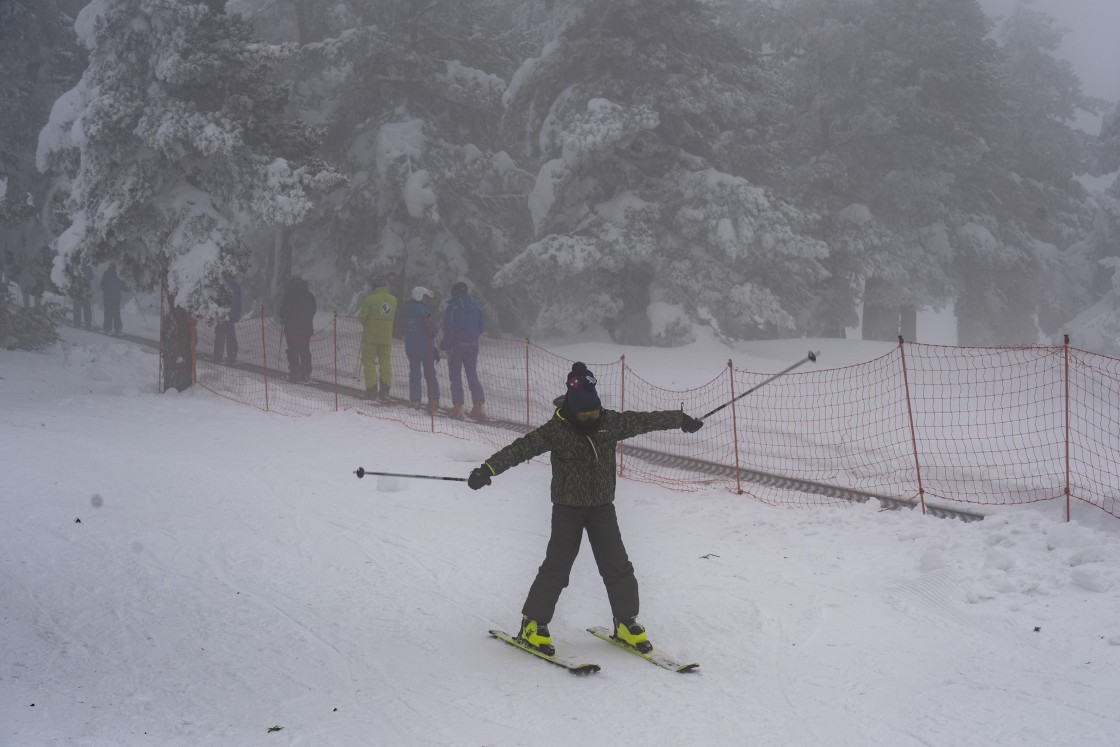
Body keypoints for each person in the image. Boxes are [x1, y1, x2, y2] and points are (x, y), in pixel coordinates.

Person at [466, 361, 705, 656]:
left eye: (594, 412)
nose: (591, 418)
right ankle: (533, 624)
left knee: (617, 565)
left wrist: (680, 420)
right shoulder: (557, 430)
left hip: (602, 507)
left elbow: (645, 420)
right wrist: (487, 469)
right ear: (571, 409)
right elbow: (520, 449)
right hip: (568, 509)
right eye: (585, 414)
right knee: (557, 567)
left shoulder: (609, 422)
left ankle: (625, 622)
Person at [440, 281, 486, 420]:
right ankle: (478, 404)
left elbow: (449, 329)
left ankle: (457, 406)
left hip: (457, 346)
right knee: (472, 374)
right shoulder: (477, 305)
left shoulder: (453, 307)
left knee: (455, 376)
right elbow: (482, 326)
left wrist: (444, 345)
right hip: (473, 346)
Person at [398, 286, 441, 412]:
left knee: (414, 373)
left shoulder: (404, 309)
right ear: (419, 296)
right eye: (424, 297)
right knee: (430, 373)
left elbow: (401, 326)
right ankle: (434, 399)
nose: (426, 299)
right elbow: (432, 328)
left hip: (411, 346)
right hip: (425, 346)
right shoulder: (424, 311)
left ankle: (415, 400)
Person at [358, 276, 397, 399]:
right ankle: (385, 390)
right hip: (386, 337)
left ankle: (371, 389)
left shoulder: (369, 299)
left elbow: (361, 317)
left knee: (369, 362)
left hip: (370, 337)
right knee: (385, 362)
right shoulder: (393, 300)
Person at [279, 277, 316, 383]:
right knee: (304, 350)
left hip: (292, 328)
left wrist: (285, 316)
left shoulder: (290, 296)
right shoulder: (310, 296)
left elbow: (283, 312)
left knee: (292, 351)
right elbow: (313, 310)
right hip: (306, 329)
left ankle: (295, 372)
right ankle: (305, 373)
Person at [213, 277, 242, 364]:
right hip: (231, 315)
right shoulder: (236, 286)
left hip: (222, 314)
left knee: (220, 335)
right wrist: (236, 315)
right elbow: (238, 302)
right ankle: (231, 357)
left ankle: (218, 357)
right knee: (231, 336)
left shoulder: (221, 285)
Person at [100, 261, 125, 335]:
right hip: (116, 298)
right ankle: (118, 329)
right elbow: (122, 286)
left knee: (108, 313)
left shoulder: (106, 274)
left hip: (107, 297)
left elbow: (102, 286)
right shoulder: (119, 275)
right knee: (116, 313)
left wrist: (106, 290)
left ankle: (108, 329)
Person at [72, 264, 94, 329]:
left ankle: (77, 322)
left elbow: (73, 278)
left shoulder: (76, 266)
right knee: (87, 307)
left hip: (77, 290)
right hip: (86, 290)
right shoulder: (88, 267)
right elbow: (92, 277)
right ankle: (88, 323)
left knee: (77, 306)